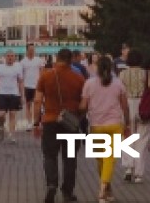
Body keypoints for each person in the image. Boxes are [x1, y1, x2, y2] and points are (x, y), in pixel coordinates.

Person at [33, 48, 85, 203]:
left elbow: (37, 101)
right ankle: (67, 192)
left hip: (50, 121)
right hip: (71, 123)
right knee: (70, 157)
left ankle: (51, 184)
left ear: (57, 58)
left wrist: (36, 122)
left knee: (50, 155)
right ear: (71, 60)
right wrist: (78, 116)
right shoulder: (79, 78)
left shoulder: (46, 76)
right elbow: (84, 104)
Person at [79, 56, 128, 203]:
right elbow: (124, 106)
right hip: (115, 125)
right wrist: (127, 123)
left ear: (97, 68)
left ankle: (103, 189)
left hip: (96, 125)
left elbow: (83, 106)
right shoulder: (118, 84)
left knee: (101, 160)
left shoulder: (89, 84)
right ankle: (105, 190)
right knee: (109, 159)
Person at [117, 50, 150, 184]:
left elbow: (119, 93)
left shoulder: (122, 74)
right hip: (143, 106)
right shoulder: (147, 74)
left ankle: (128, 168)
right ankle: (138, 173)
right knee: (142, 139)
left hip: (126, 106)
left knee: (127, 137)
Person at [0, 50, 24, 142]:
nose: (10, 58)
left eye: (12, 56)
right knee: (1, 114)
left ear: (14, 57)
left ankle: (11, 134)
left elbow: (20, 82)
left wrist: (22, 96)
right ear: (5, 57)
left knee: (13, 114)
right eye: (8, 56)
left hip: (14, 93)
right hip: (2, 93)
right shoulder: (0, 67)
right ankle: (2, 127)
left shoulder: (18, 67)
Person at [21, 44, 46, 132]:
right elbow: (21, 75)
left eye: (33, 49)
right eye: (30, 49)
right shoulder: (23, 62)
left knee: (38, 104)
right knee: (28, 105)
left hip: (37, 86)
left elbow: (42, 73)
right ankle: (29, 123)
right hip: (27, 86)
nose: (32, 51)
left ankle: (37, 121)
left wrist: (42, 84)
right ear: (27, 50)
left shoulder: (39, 60)